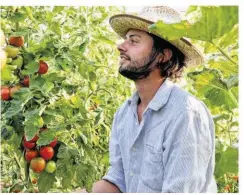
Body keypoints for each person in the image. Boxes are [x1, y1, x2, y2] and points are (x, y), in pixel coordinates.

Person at [78, 6, 217, 193]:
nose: (121, 46)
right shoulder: (124, 113)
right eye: (125, 40)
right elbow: (120, 178)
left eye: (134, 41)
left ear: (163, 56)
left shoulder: (186, 113)